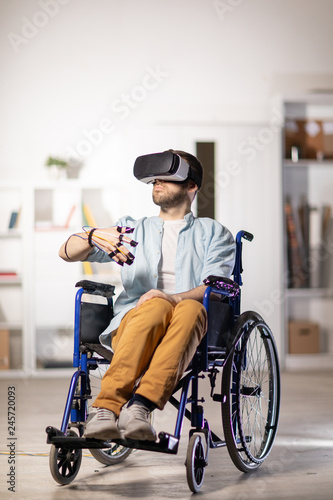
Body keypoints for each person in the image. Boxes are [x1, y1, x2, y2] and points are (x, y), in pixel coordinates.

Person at [59, 149, 235, 442]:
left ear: (191, 186)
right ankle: (107, 410)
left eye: (168, 178)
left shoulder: (214, 233)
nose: (157, 183)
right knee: (154, 307)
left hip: (188, 327)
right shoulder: (132, 229)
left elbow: (216, 287)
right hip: (136, 320)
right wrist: (92, 235)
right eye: (154, 179)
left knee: (191, 309)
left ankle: (139, 408)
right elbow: (66, 253)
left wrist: (172, 298)